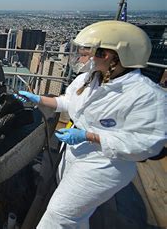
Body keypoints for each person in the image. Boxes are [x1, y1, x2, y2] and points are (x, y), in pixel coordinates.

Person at [17, 21, 166, 228]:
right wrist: (37, 99)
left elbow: (147, 145)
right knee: (76, 216)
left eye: (90, 52)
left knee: (59, 215)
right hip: (75, 152)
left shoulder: (147, 96)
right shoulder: (89, 78)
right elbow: (68, 102)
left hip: (105, 164)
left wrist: (89, 136)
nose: (83, 57)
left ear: (109, 55)